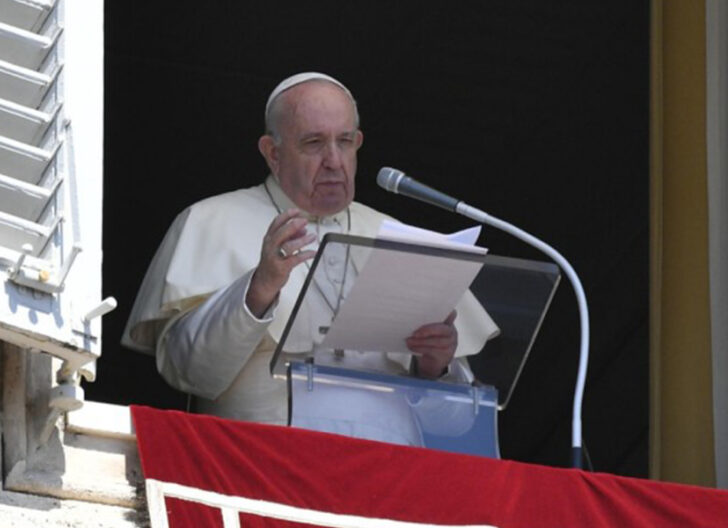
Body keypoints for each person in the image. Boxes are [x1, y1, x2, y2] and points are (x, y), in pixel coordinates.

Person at [122, 73, 498, 442]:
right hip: (262, 464)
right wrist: (259, 289)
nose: (334, 160)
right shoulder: (209, 220)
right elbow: (188, 372)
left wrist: (436, 367)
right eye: (314, 143)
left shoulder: (403, 239)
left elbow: (456, 423)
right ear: (272, 152)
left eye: (345, 141)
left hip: (388, 478)